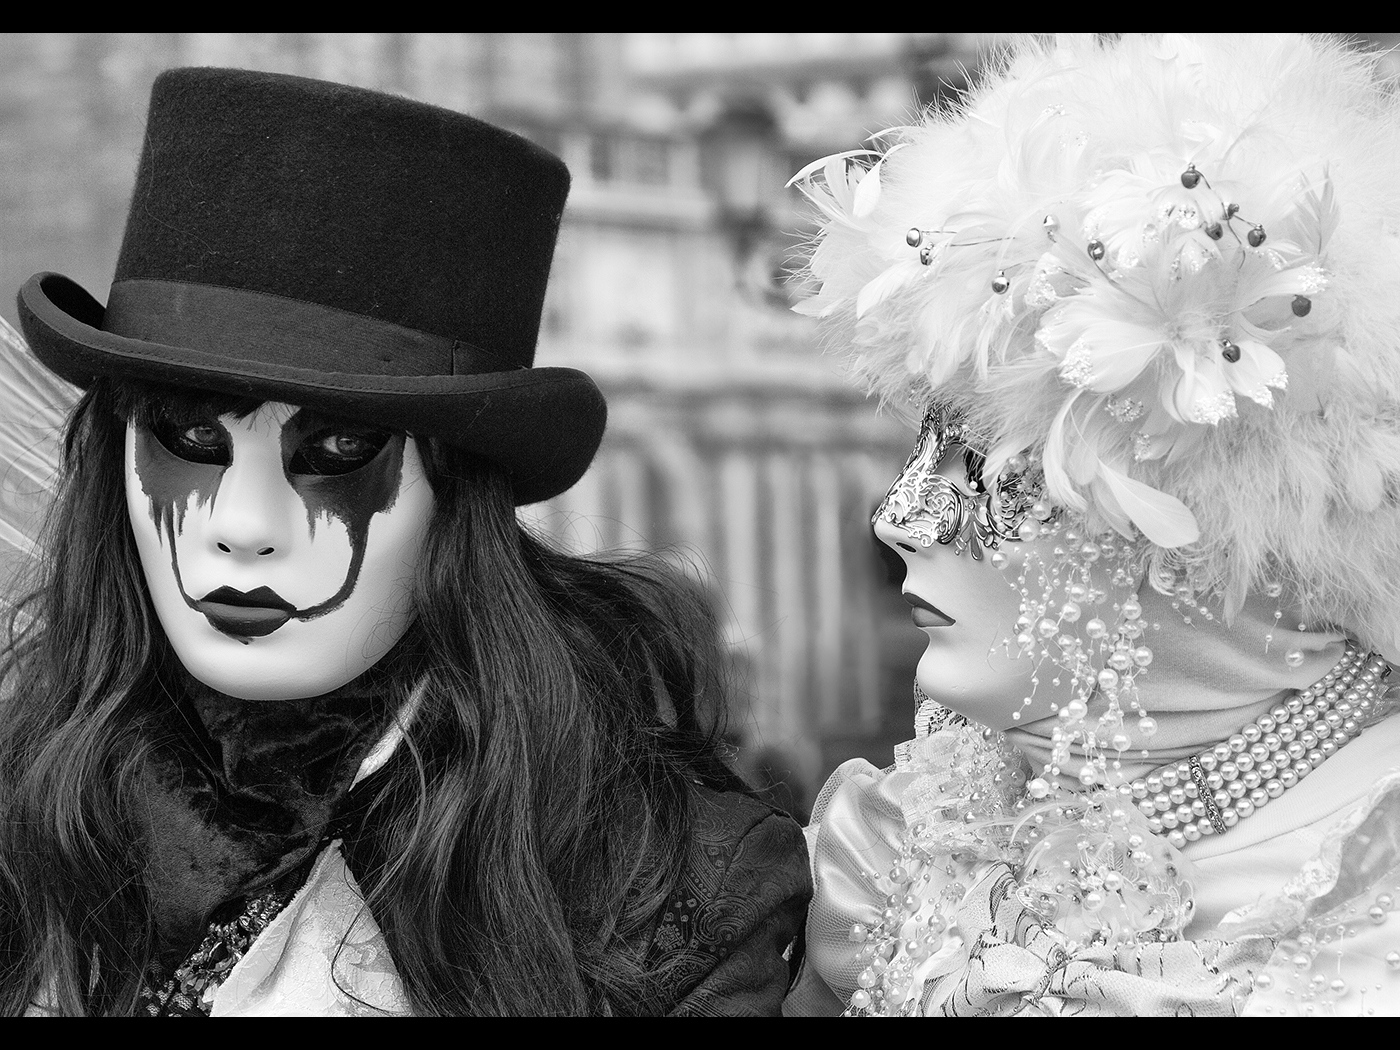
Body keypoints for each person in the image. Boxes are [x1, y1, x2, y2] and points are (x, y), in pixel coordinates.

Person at [0, 66, 811, 1016]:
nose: (244, 527)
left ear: (454, 502)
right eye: (187, 436)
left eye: (340, 450)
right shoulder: (25, 818)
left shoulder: (662, 891)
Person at [782, 34, 1400, 1017]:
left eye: (994, 466)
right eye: (926, 448)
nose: (903, 517)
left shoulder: (1372, 893)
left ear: (1225, 517)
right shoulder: (892, 849)